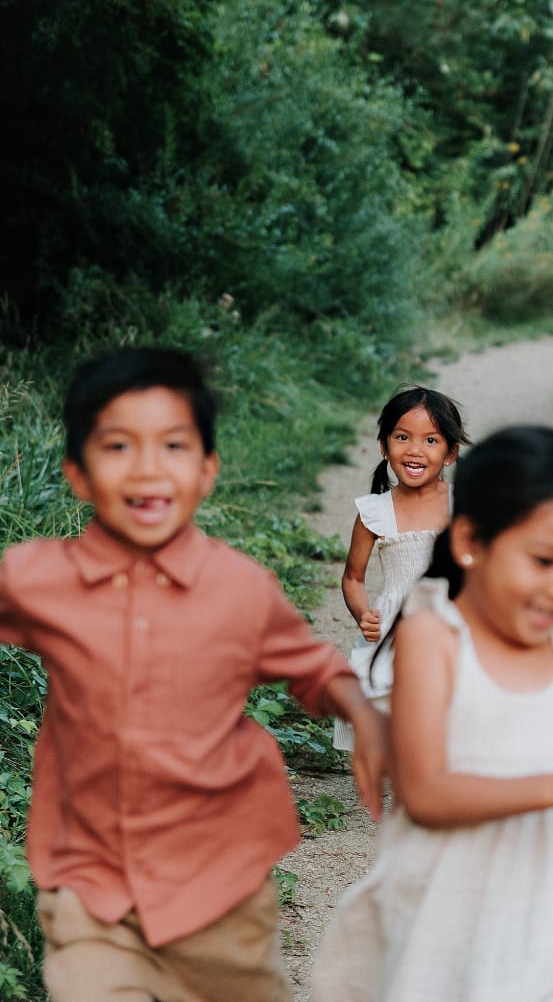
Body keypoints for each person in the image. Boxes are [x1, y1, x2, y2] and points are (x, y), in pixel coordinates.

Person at [0, 347, 388, 1002]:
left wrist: (364, 712)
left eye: (173, 445)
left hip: (223, 889)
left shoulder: (239, 588)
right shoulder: (40, 579)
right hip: (91, 886)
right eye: (119, 445)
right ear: (78, 474)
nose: (148, 466)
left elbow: (312, 666)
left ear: (207, 470)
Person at [312, 426, 553, 1002]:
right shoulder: (435, 637)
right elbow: (424, 795)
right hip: (461, 889)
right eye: (544, 560)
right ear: (471, 541)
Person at [333, 385, 468, 750]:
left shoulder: (463, 507)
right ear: (384, 445)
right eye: (403, 437)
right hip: (397, 629)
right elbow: (353, 577)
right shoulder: (374, 513)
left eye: (431, 440)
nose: (414, 450)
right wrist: (363, 613)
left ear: (451, 453)